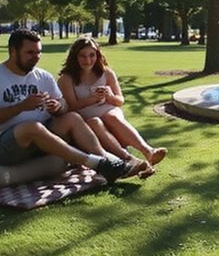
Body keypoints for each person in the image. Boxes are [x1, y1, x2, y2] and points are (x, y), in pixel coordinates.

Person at [0, 29, 144, 183]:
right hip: (0, 146)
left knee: (72, 117)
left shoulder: (42, 76)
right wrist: (21, 107)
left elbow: (64, 105)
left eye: (38, 52)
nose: (36, 56)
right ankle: (96, 163)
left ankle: (109, 160)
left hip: (40, 141)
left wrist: (57, 107)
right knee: (31, 127)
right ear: (13, 51)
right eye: (30, 52)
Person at [57, 37, 167, 174]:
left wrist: (109, 96)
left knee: (111, 116)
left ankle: (148, 151)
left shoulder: (107, 73)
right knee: (95, 122)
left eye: (92, 55)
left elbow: (120, 100)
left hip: (110, 112)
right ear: (75, 57)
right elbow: (71, 106)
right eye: (82, 56)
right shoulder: (66, 78)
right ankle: (129, 159)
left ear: (98, 55)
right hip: (88, 122)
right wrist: (93, 99)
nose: (88, 60)